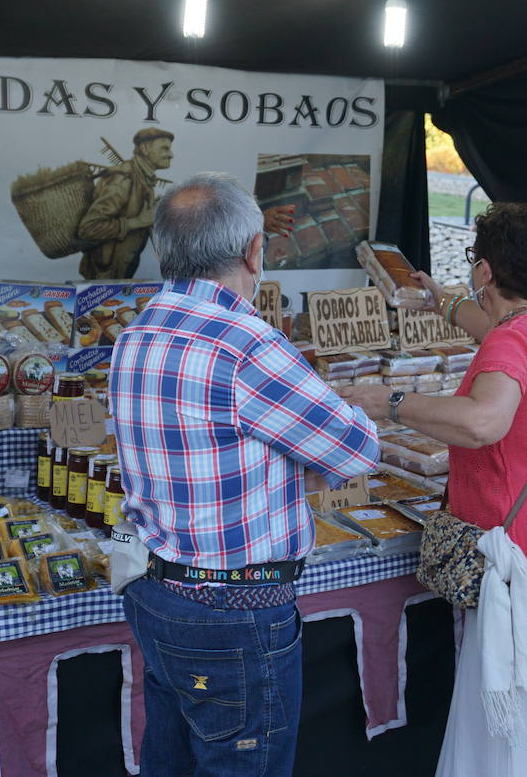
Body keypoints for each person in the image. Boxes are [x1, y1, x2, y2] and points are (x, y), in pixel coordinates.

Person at [109, 173, 379, 776]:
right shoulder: (248, 345)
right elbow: (357, 450)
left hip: (156, 592)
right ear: (255, 250)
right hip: (233, 610)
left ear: (162, 252)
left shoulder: (134, 336)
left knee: (170, 762)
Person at [345, 202, 527, 777]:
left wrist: (388, 402)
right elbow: (491, 330)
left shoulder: (512, 343)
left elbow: (483, 421)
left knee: (515, 712)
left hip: (526, 551)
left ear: (485, 269)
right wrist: (441, 297)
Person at [76, 127, 174, 278]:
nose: (171, 154)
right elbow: (88, 228)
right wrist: (137, 222)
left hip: (118, 275)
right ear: (145, 148)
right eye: (164, 148)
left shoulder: (143, 177)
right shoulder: (123, 180)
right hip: (103, 279)